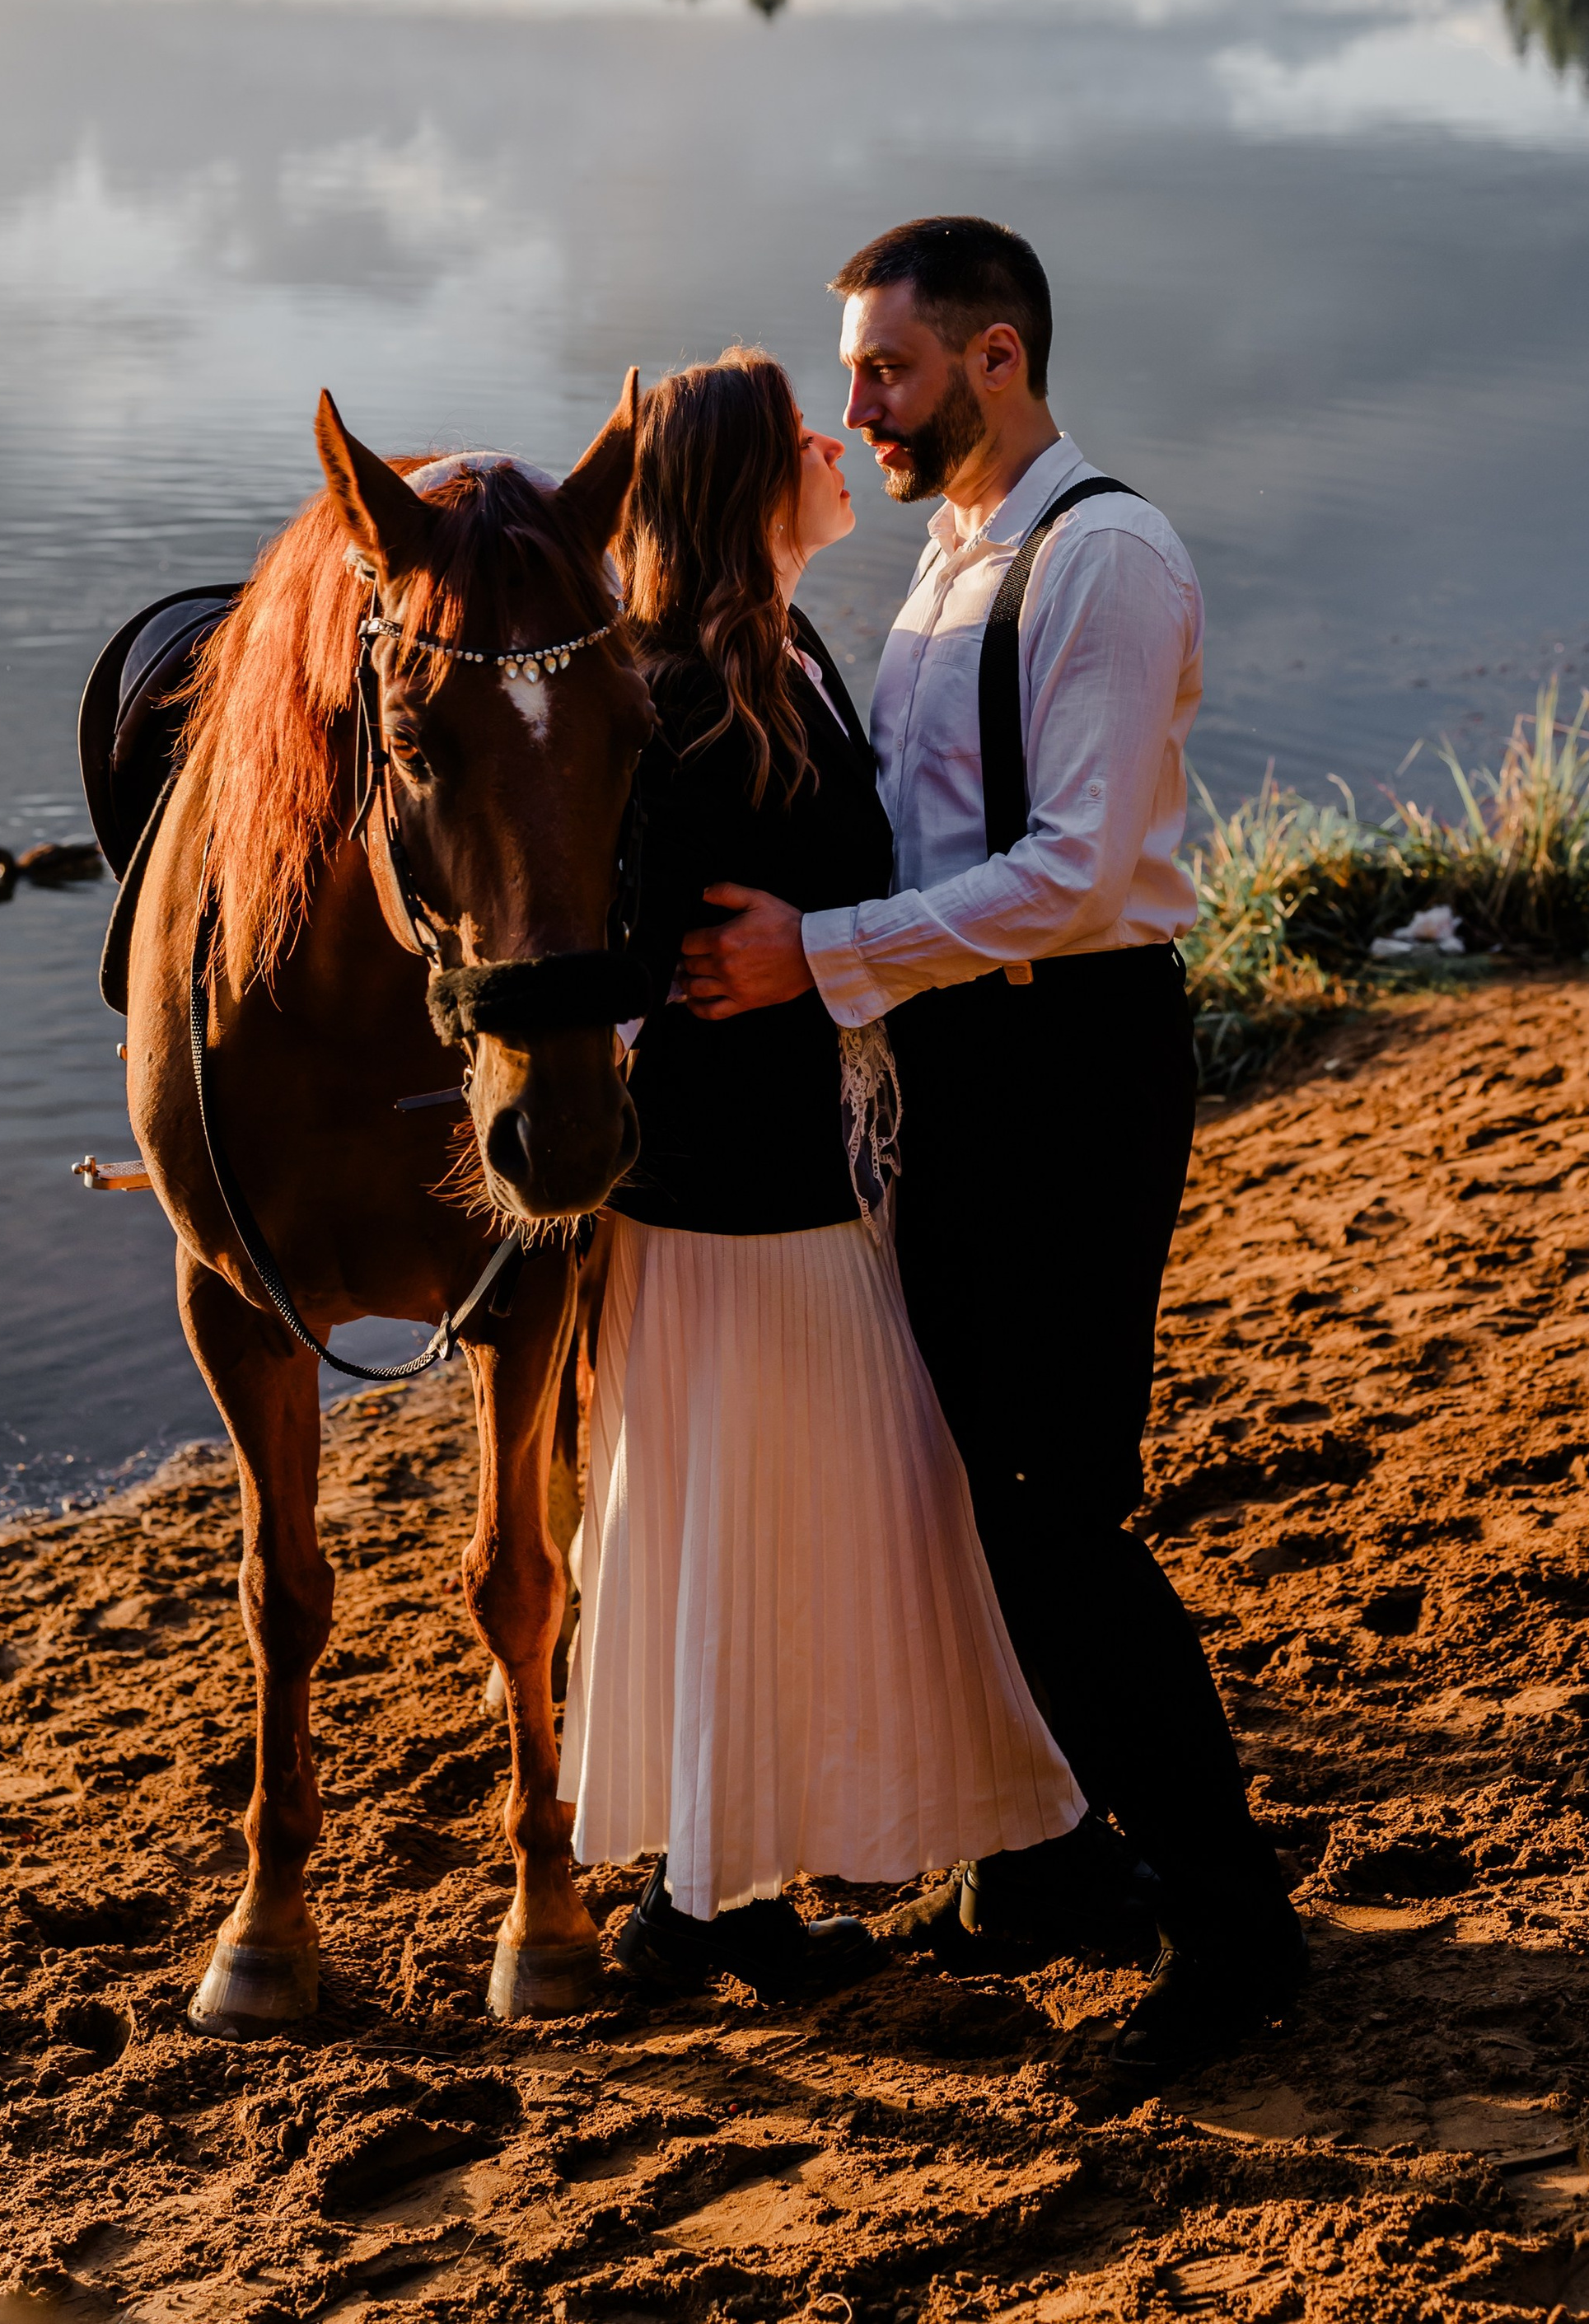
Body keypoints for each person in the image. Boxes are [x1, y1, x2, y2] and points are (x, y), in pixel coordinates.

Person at [678, 222, 1306, 2074]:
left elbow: (1074, 876)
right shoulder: (953, 558)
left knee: (1057, 1519)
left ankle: (1231, 1932)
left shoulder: (1097, 555)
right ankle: (1049, 1857)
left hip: (1070, 1068)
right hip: (962, 1072)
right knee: (987, 1505)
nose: (854, 406)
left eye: (885, 368)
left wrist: (816, 961)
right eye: (852, 372)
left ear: (997, 358)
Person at [558, 344, 1084, 1996]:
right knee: (775, 1519)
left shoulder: (768, 653)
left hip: (791, 1168)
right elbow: (633, 941)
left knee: (777, 1519)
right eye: (802, 430)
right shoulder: (682, 692)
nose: (836, 442)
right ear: (742, 483)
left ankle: (731, 1890)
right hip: (738, 1189)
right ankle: (709, 1897)